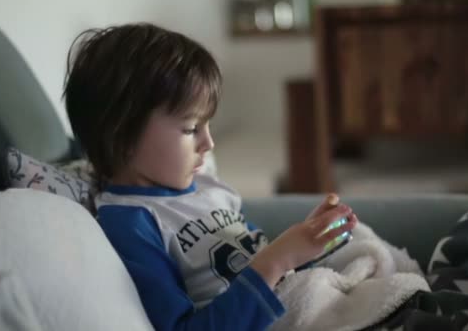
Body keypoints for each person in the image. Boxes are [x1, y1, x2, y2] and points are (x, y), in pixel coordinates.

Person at [63, 23, 358, 330]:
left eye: (207, 126)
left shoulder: (208, 188)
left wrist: (308, 242)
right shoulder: (131, 222)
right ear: (122, 137)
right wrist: (278, 259)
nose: (209, 143)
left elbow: (265, 269)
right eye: (191, 129)